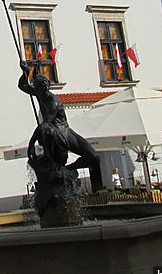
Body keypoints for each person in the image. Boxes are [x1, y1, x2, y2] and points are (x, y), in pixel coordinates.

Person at [18, 60, 103, 190]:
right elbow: (22, 86)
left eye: (47, 85)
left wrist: (31, 143)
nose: (45, 88)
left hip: (64, 132)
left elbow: (46, 122)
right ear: (38, 87)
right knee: (48, 133)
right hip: (52, 132)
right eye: (42, 85)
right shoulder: (40, 93)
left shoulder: (54, 101)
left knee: (94, 157)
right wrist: (26, 72)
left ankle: (69, 168)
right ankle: (57, 166)